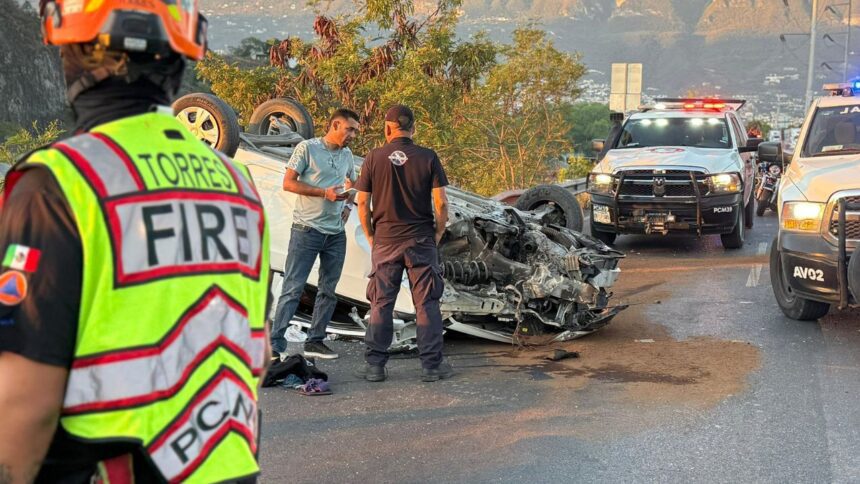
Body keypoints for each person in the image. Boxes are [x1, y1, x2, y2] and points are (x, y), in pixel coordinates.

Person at [0, 2, 271, 482]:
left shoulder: (61, 183)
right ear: (178, 59)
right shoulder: (238, 186)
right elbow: (259, 350)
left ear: (80, 53)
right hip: (226, 466)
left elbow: (24, 396)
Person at [354, 104, 452, 383]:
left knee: (381, 303)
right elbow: (441, 202)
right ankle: (432, 367)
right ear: (414, 128)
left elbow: (362, 202)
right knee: (427, 302)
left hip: (385, 241)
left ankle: (375, 366)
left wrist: (371, 235)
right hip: (421, 239)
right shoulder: (428, 157)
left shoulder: (373, 158)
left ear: (387, 128)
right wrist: (437, 233)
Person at [271, 109, 361, 360]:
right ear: (335, 125)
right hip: (306, 230)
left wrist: (348, 206)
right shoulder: (307, 148)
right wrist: (324, 194)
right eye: (349, 129)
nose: (353, 134)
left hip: (335, 234)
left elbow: (352, 183)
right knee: (293, 288)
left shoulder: (346, 154)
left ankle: (316, 341)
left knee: (329, 290)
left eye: (355, 130)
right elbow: (288, 183)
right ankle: (275, 344)